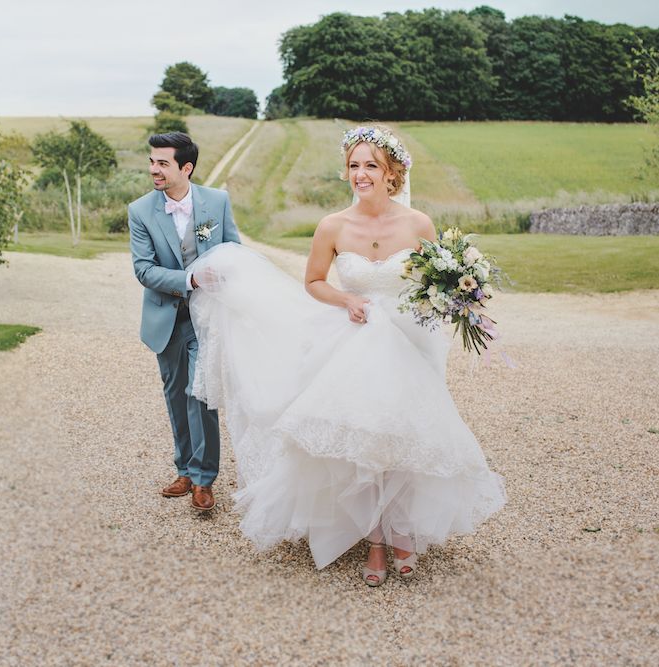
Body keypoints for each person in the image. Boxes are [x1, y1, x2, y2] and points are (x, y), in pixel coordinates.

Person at [188, 126, 506, 585]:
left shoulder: (419, 224)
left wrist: (454, 300)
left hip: (407, 343)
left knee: (403, 436)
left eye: (371, 165)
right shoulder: (332, 226)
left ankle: (403, 533)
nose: (361, 174)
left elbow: (438, 281)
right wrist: (347, 300)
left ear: (392, 173)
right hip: (352, 341)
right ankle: (375, 541)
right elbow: (314, 281)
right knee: (361, 443)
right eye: (354, 165)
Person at [128, 131, 240, 512]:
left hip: (206, 318)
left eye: (162, 162)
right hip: (165, 318)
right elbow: (144, 270)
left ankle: (205, 479)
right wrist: (188, 279)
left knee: (201, 392)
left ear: (185, 168)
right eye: (152, 161)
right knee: (176, 394)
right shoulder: (140, 211)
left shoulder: (217, 202)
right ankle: (185, 470)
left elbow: (233, 251)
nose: (153, 169)